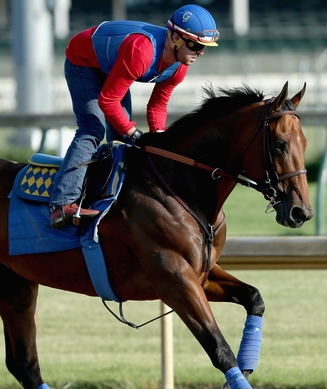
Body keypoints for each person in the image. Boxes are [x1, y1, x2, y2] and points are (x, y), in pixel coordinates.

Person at [48, 4, 219, 228]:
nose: (200, 52)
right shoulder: (142, 51)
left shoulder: (179, 66)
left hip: (112, 65)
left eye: (204, 47)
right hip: (83, 61)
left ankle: (110, 198)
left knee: (120, 137)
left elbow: (157, 106)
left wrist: (160, 139)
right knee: (92, 129)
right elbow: (108, 101)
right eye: (195, 45)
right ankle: (62, 203)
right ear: (176, 37)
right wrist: (133, 132)